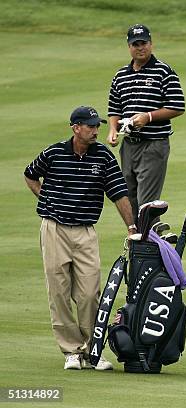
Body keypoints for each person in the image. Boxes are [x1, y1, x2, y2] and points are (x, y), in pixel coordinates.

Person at [24, 106, 137, 370]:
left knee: (89, 293)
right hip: (54, 230)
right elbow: (30, 175)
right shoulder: (53, 153)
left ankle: (93, 351)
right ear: (76, 128)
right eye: (90, 126)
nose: (96, 130)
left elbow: (119, 194)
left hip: (86, 231)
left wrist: (132, 228)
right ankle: (71, 351)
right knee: (59, 292)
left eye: (97, 125)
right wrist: (47, 200)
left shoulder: (104, 158)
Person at [106, 24, 186, 223]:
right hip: (128, 146)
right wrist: (112, 130)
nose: (140, 48)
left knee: (146, 203)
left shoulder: (164, 71)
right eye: (135, 44)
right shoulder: (121, 75)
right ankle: (139, 245)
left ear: (151, 44)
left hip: (154, 144)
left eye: (144, 43)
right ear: (129, 46)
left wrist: (147, 117)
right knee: (128, 199)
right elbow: (114, 108)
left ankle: (150, 247)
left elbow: (177, 106)